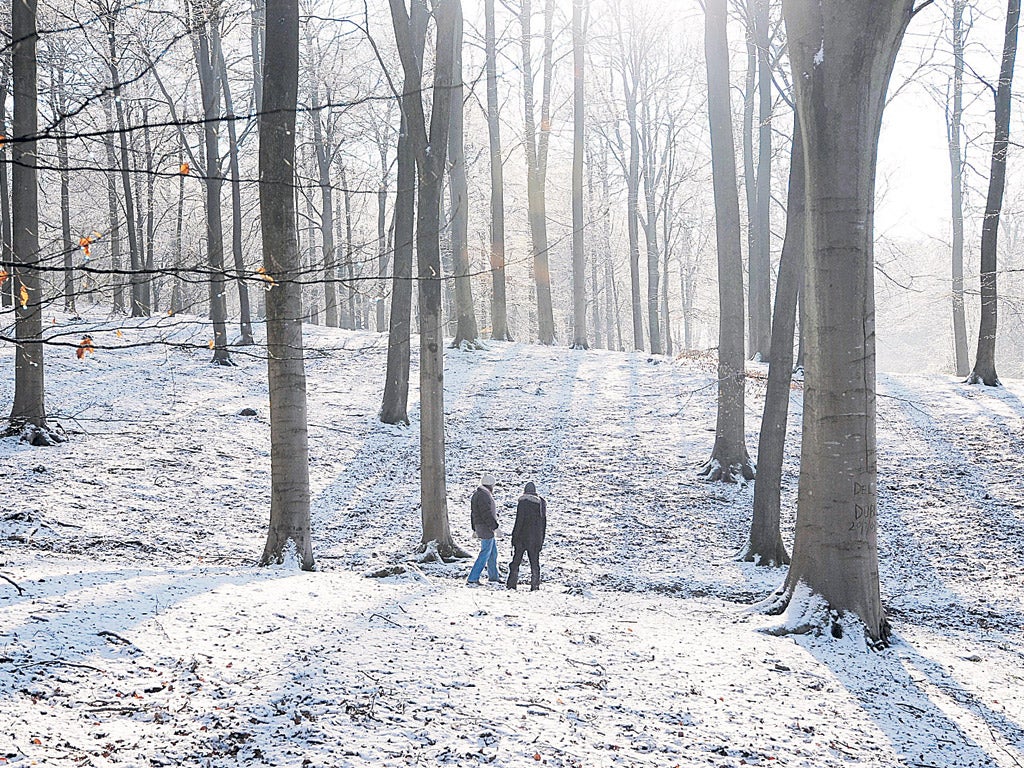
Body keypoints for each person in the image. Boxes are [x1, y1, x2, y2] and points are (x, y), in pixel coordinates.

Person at [507, 481, 546, 591]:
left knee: (516, 562)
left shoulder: (523, 502)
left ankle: (512, 584)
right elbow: (543, 524)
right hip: (536, 539)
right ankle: (535, 585)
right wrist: (541, 540)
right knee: (535, 563)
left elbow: (519, 521)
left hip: (521, 538)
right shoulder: (541, 504)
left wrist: (514, 537)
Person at [467, 473, 500, 585]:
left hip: (481, 526)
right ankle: (473, 578)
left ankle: (494, 577)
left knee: (493, 553)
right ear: (490, 485)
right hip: (486, 528)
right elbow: (486, 514)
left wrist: (474, 528)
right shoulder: (484, 496)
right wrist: (495, 527)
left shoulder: (478, 494)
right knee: (485, 553)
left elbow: (473, 513)